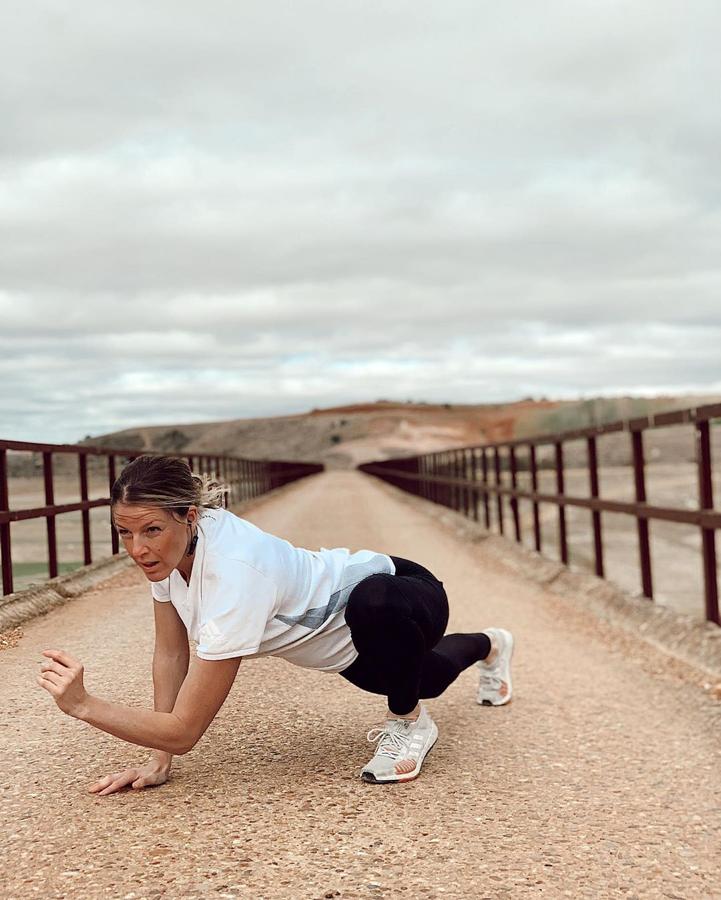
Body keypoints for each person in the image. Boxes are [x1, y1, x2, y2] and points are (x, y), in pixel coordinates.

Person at [37, 455, 514, 792]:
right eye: (125, 532)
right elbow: (171, 652)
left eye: (152, 530)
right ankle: (492, 644)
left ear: (190, 515)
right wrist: (158, 758)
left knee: (374, 607)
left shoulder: (233, 574)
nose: (137, 548)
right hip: (346, 646)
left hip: (402, 592)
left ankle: (409, 724)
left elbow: (184, 729)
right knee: (425, 678)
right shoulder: (172, 557)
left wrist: (83, 705)